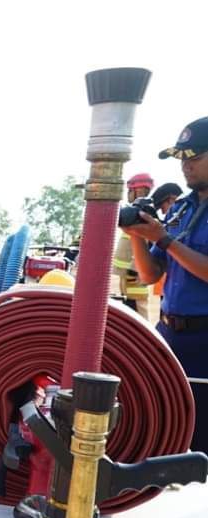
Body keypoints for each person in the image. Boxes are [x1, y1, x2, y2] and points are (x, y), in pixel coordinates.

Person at [128, 117, 208, 454]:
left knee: (199, 435)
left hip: (204, 340)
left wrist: (164, 240)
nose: (185, 167)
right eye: (182, 159)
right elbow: (149, 275)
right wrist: (136, 236)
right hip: (168, 332)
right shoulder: (182, 207)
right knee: (162, 426)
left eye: (194, 158)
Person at [113, 173, 154, 317]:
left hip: (135, 275)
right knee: (129, 311)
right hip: (128, 274)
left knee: (138, 314)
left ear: (140, 190)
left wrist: (135, 269)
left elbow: (147, 242)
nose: (128, 194)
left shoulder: (144, 213)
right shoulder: (133, 212)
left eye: (130, 190)